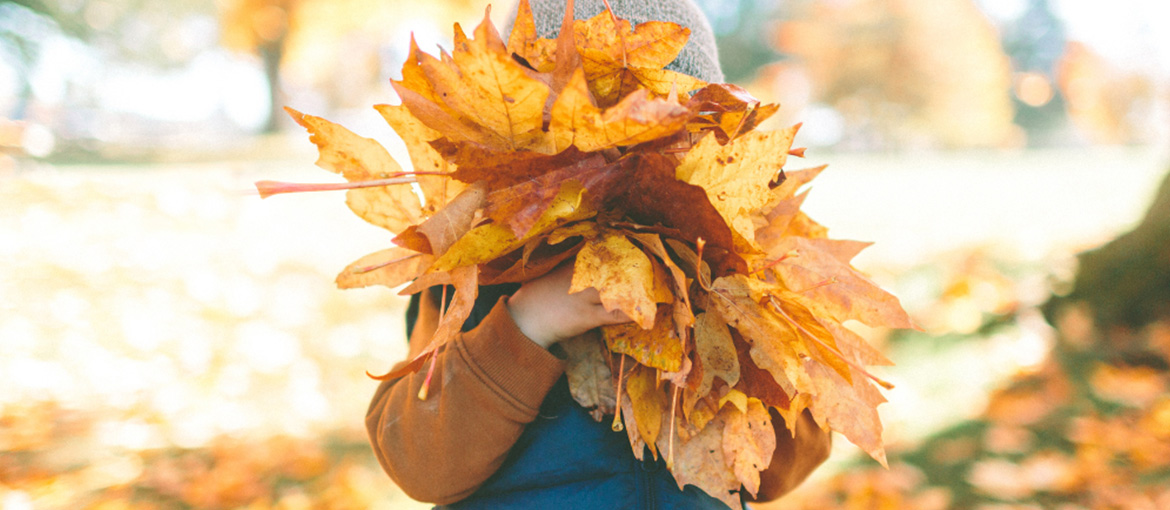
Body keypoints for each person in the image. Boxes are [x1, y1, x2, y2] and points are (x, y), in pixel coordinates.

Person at [366, 1, 833, 508]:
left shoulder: (740, 265)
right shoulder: (475, 269)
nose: (617, 164)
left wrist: (726, 340)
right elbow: (421, 465)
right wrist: (528, 322)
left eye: (657, 135)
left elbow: (796, 457)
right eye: (583, 138)